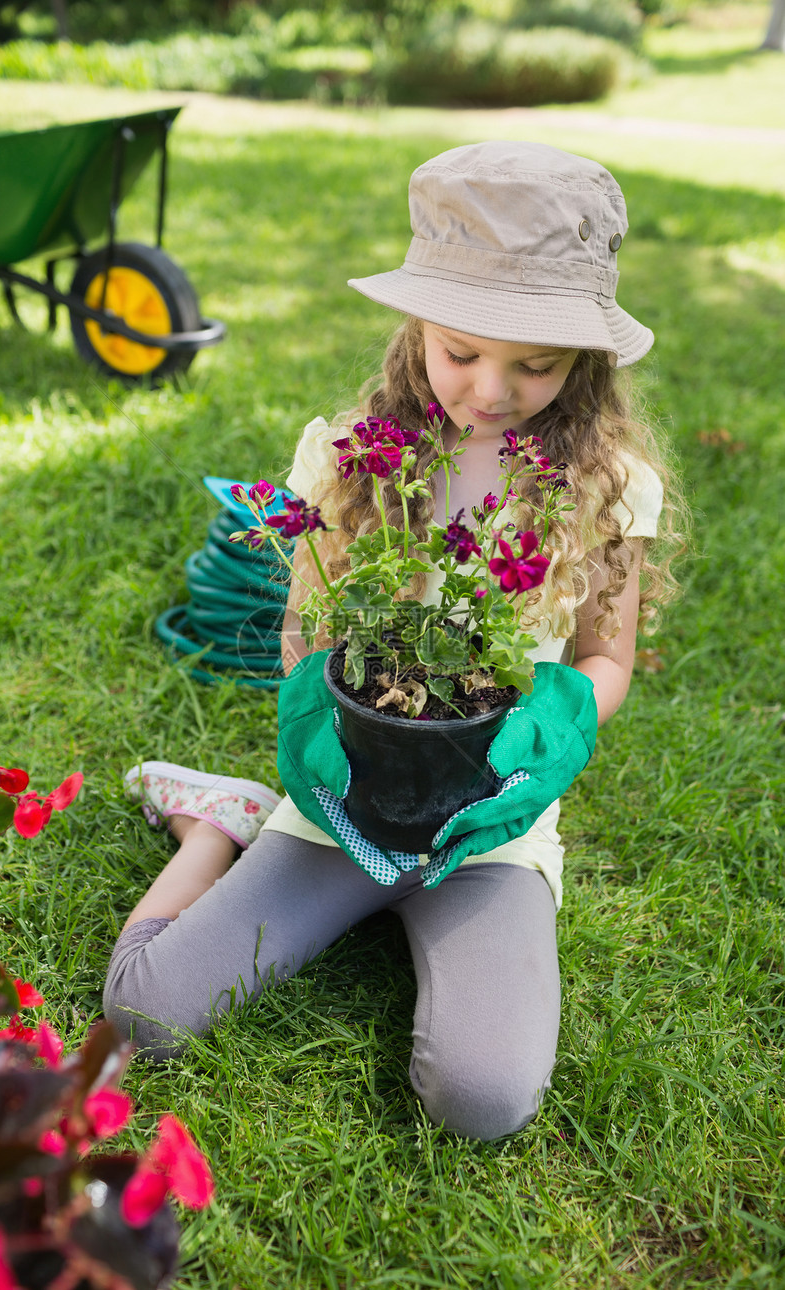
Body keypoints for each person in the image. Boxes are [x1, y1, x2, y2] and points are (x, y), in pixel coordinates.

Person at [103, 141, 683, 1141]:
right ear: (412, 322)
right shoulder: (350, 458)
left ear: (580, 361)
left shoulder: (603, 484)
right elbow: (308, 630)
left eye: (534, 365)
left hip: (487, 827)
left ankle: (424, 899)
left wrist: (562, 717)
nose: (488, 391)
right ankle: (215, 821)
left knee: (482, 1101)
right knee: (144, 1015)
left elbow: (603, 656)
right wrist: (310, 705)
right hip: (343, 800)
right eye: (459, 351)